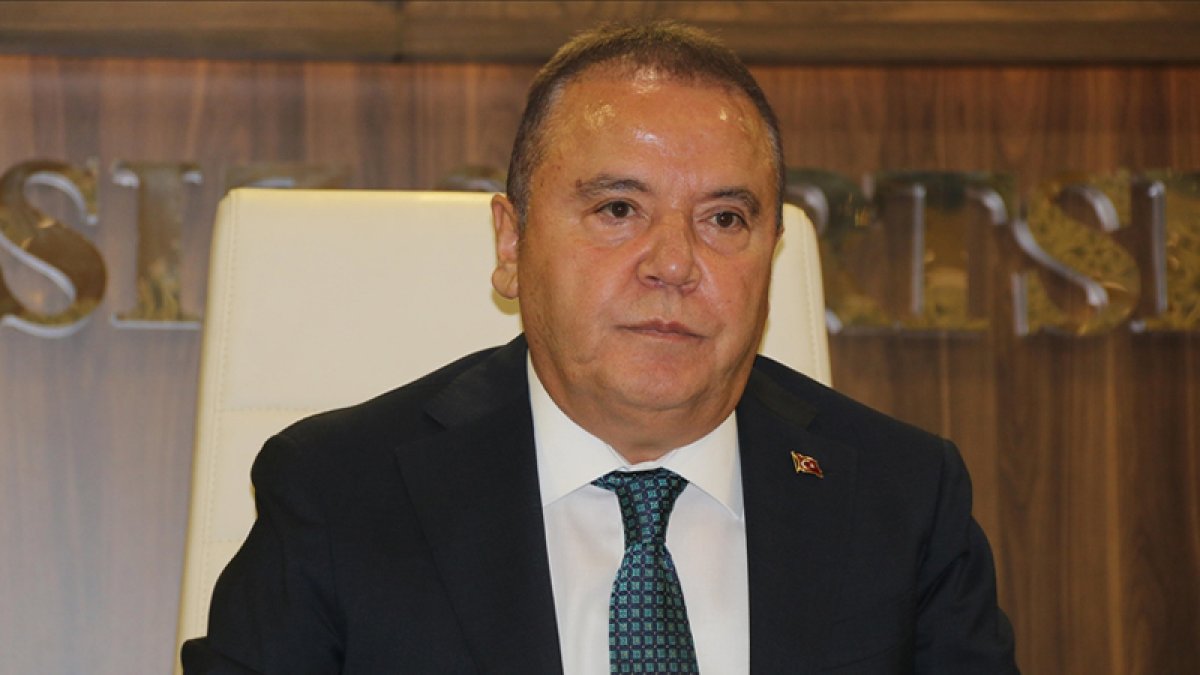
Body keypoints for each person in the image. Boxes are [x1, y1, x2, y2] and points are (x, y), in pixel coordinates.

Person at [182, 21, 1017, 674]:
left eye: (724, 219)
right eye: (618, 209)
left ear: (771, 251)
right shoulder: (340, 495)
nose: (674, 264)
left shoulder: (902, 498)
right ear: (511, 243)